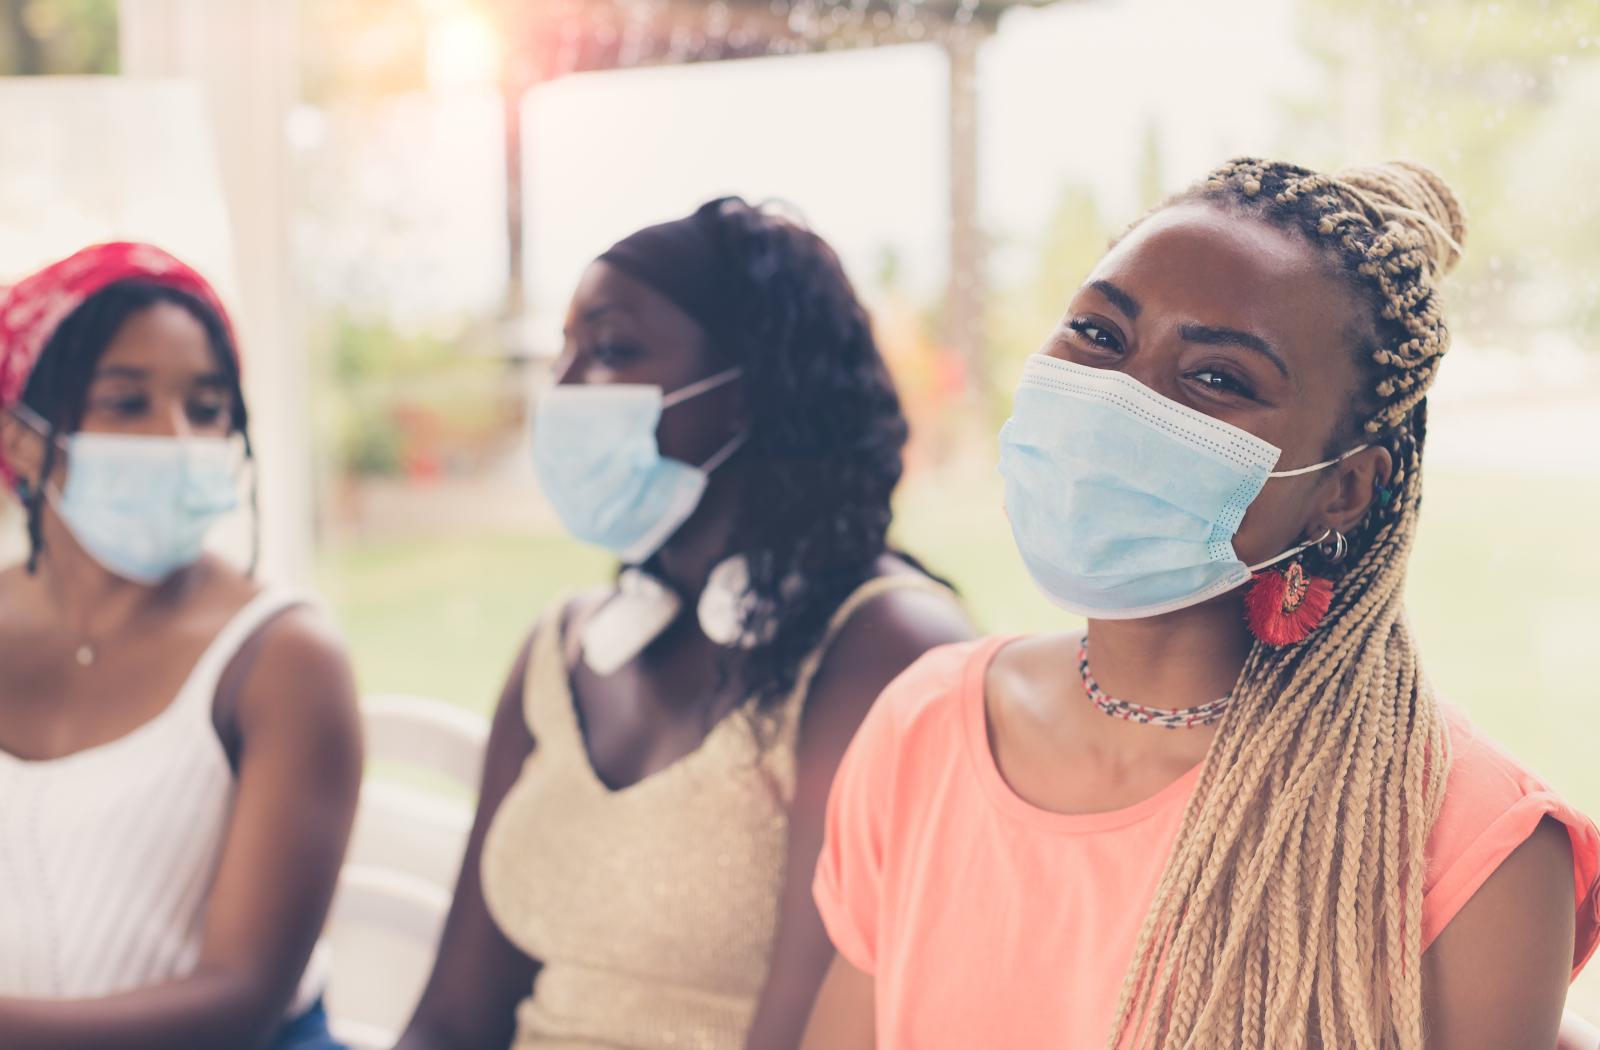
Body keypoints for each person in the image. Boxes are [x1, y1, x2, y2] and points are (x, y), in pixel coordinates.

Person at [803, 159, 1600, 1049]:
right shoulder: (923, 727)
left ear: (1342, 490)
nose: (1118, 395)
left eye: (1218, 377)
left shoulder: (1471, 842)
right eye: (1099, 334)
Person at [393, 198, 972, 1050]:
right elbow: (448, 1022)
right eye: (565, 351)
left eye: (613, 350)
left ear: (752, 387)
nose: (561, 389)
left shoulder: (883, 649)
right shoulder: (560, 651)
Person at [0, 243, 362, 1050]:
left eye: (205, 408)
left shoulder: (286, 658)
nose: (175, 438)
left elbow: (241, 1003)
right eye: (126, 403)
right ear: (19, 438)